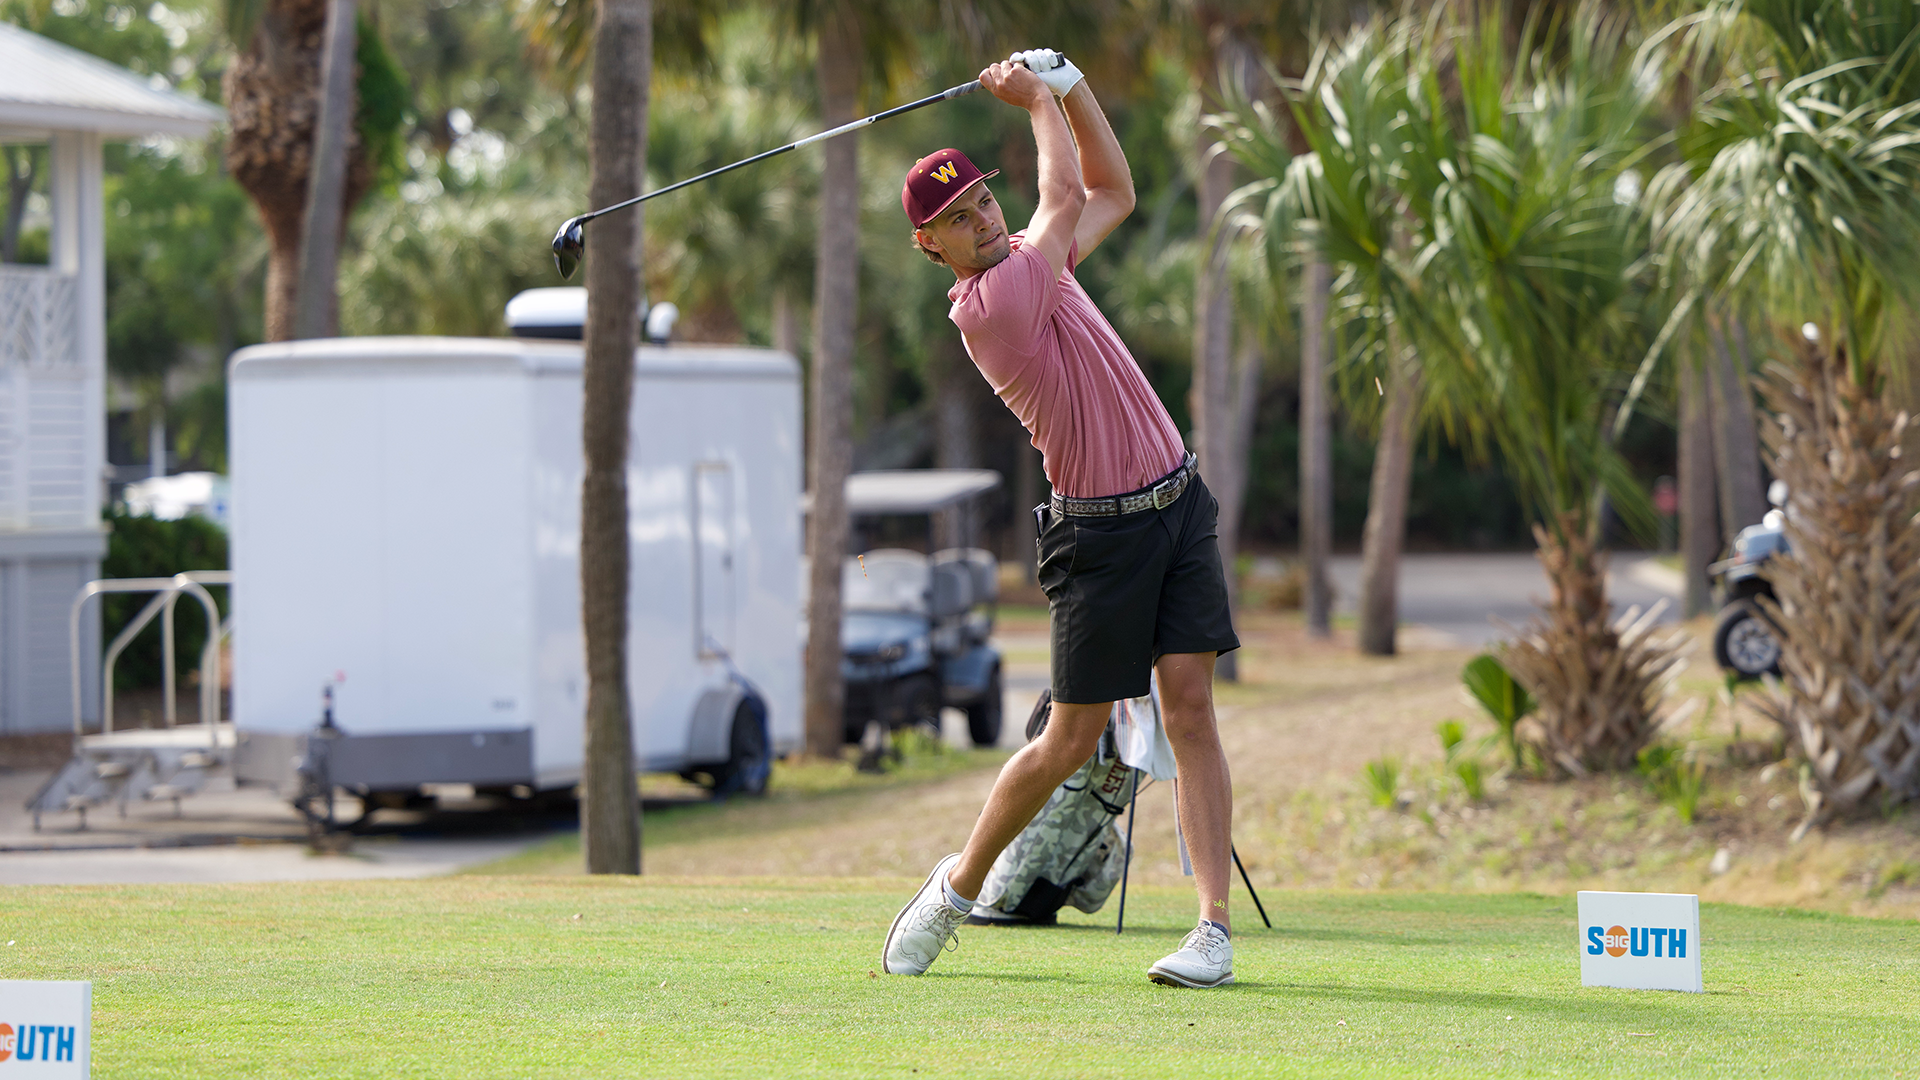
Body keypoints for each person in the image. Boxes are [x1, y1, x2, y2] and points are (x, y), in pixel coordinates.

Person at [881, 50, 1241, 988]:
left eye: (983, 202)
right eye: (956, 220)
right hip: (1100, 537)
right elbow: (1069, 193)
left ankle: (1211, 932)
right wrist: (1040, 95)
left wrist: (1076, 84)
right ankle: (955, 889)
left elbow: (1107, 186)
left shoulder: (1039, 263)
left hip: (1177, 502)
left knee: (1193, 709)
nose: (980, 220)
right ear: (934, 249)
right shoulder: (994, 305)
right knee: (1070, 739)